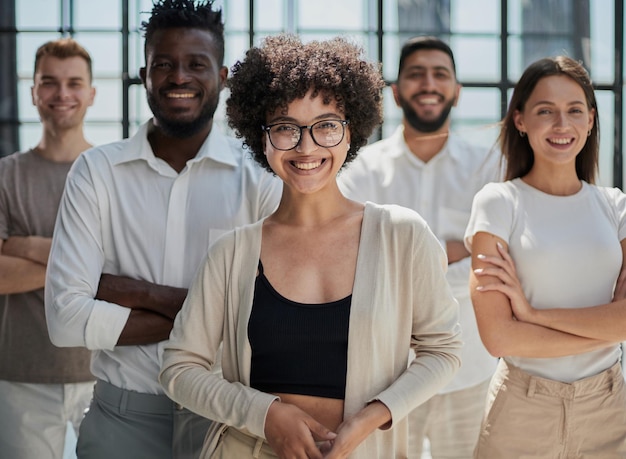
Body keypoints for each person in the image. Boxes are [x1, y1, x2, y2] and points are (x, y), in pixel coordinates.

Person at [159, 34, 462, 459]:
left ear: (350, 131)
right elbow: (179, 369)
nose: (306, 147)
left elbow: (443, 351)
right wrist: (265, 414)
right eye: (285, 128)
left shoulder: (402, 235)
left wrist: (372, 415)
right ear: (260, 137)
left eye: (326, 126)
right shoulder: (231, 254)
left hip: (364, 450)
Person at [44, 1, 281, 458]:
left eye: (196, 64)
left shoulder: (263, 177)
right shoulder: (97, 172)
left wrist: (138, 293)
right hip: (121, 419)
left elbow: (268, 317)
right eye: (164, 64)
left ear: (223, 75)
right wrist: (210, 312)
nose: (179, 77)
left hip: (228, 417)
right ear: (143, 73)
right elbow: (65, 319)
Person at [338, 36, 499, 458]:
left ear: (457, 92)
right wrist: (456, 249)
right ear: (394, 91)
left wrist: (400, 264)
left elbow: (498, 267)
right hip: (383, 378)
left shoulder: (489, 169)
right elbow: (347, 262)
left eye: (440, 73)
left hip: (470, 371)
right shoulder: (360, 170)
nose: (428, 83)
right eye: (416, 74)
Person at [465, 55, 626, 458]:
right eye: (545, 111)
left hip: (609, 406)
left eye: (574, 111)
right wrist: (607, 326)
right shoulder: (499, 203)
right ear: (520, 120)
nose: (561, 125)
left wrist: (533, 317)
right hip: (523, 408)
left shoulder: (615, 207)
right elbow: (499, 336)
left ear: (590, 120)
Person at [0, 38, 96, 459]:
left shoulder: (112, 174)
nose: (62, 94)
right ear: (34, 92)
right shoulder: (5, 176)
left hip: (105, 373)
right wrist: (83, 260)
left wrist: (22, 246)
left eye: (74, 82)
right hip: (21, 375)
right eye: (50, 82)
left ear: (92, 93)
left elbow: (125, 269)